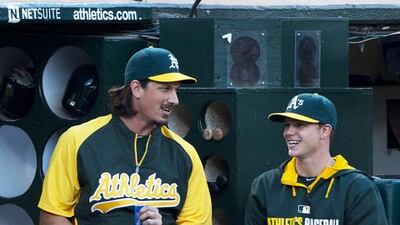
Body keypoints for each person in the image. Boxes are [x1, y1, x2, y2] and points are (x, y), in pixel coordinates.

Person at [38, 47, 212, 225]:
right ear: (137, 88)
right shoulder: (78, 139)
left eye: (176, 90)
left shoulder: (185, 154)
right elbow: (52, 215)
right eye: (165, 88)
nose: (174, 99)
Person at [245, 93, 388, 225]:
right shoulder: (265, 185)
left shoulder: (357, 187)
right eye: (287, 125)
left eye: (299, 125)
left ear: (325, 131)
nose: (289, 132)